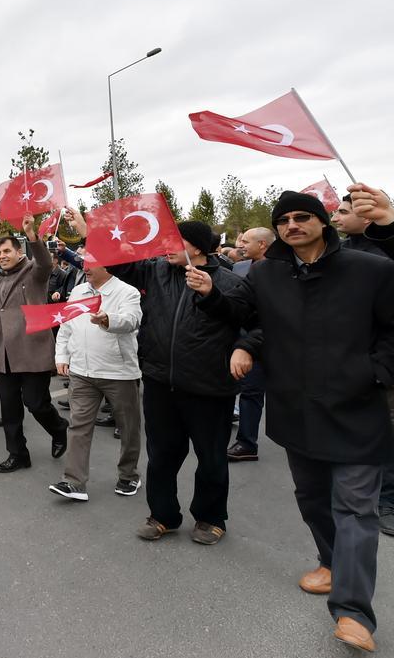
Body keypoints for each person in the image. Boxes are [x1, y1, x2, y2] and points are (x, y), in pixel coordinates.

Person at [186, 191, 394, 652]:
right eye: (284, 220)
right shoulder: (267, 273)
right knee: (313, 499)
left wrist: (374, 374)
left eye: (303, 217)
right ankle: (331, 562)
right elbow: (246, 316)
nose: (293, 225)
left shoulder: (370, 269)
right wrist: (212, 296)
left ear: (322, 222)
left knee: (355, 509)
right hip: (296, 411)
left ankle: (353, 612)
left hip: (356, 409)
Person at [69, 210, 248, 545]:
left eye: (174, 241)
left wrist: (219, 308)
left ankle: (210, 518)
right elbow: (118, 261)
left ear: (197, 249)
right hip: (159, 381)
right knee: (162, 454)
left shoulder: (230, 282)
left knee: (210, 457)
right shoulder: (156, 272)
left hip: (209, 386)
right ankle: (163, 515)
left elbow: (246, 322)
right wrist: (89, 233)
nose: (165, 246)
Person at [334, 193, 394, 539]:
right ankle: (355, 493)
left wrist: (385, 320)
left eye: (344, 211)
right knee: (349, 427)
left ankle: (392, 502)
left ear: (368, 216)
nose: (337, 218)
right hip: (345, 358)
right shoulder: (337, 252)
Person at [48, 261, 144, 501]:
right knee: (78, 427)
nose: (85, 268)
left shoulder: (127, 291)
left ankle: (128, 475)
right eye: (85, 264)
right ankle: (73, 482)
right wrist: (62, 356)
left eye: (92, 264)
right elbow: (67, 326)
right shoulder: (79, 291)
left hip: (118, 373)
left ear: (108, 266)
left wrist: (107, 319)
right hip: (81, 373)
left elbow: (131, 321)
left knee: (128, 428)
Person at [0, 224, 70, 474]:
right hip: (5, 354)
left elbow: (45, 263)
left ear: (18, 251)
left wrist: (33, 236)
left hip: (32, 350)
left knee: (36, 404)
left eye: (6, 251)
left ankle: (58, 429)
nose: (2, 256)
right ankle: (18, 454)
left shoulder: (34, 272)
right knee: (9, 409)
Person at [227, 227, 276, 462]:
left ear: (263, 244)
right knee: (243, 390)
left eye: (246, 241)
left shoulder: (282, 269)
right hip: (237, 337)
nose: (240, 245)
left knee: (252, 393)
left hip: (269, 340)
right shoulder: (238, 267)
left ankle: (247, 443)